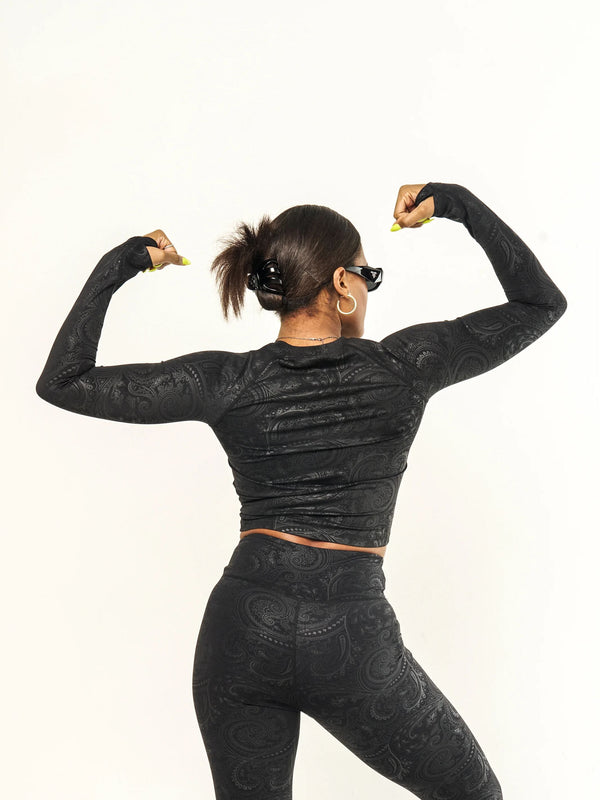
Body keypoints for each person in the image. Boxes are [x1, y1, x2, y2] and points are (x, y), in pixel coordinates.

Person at [36, 181, 567, 800]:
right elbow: (539, 304)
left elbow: (63, 382)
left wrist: (123, 262)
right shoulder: (404, 365)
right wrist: (453, 202)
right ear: (341, 283)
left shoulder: (227, 380)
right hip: (348, 632)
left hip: (242, 629)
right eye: (367, 276)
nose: (368, 292)